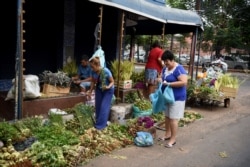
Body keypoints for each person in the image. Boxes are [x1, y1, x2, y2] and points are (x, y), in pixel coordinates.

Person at [157, 50, 188, 148]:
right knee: (167, 117)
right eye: (164, 62)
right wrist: (160, 80)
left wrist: (170, 84)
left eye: (167, 61)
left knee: (173, 119)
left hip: (177, 98)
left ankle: (173, 139)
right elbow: (161, 77)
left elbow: (184, 82)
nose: (166, 64)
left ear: (172, 59)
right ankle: (167, 134)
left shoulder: (179, 69)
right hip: (167, 97)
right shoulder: (165, 68)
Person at [86, 57, 115, 130]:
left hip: (108, 90)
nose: (92, 69)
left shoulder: (106, 71)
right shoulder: (93, 71)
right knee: (98, 107)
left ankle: (99, 127)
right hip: (99, 89)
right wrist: (90, 91)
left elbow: (112, 81)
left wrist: (108, 87)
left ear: (97, 65)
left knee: (104, 107)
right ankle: (100, 122)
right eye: (91, 67)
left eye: (92, 67)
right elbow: (93, 81)